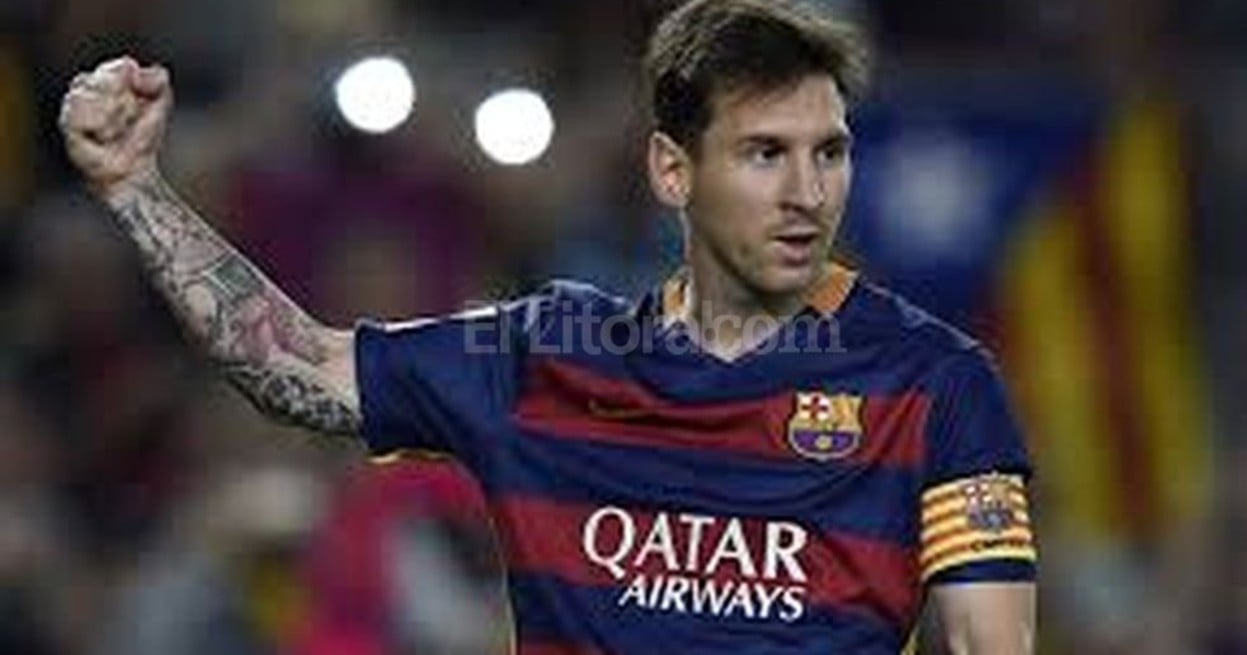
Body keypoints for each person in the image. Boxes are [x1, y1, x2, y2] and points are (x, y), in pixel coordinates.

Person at [58, 0, 1036, 652]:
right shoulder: (540, 355)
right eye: (764, 154)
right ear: (672, 170)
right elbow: (297, 363)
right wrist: (135, 187)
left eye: (829, 153)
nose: (806, 193)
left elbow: (987, 642)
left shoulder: (937, 383)